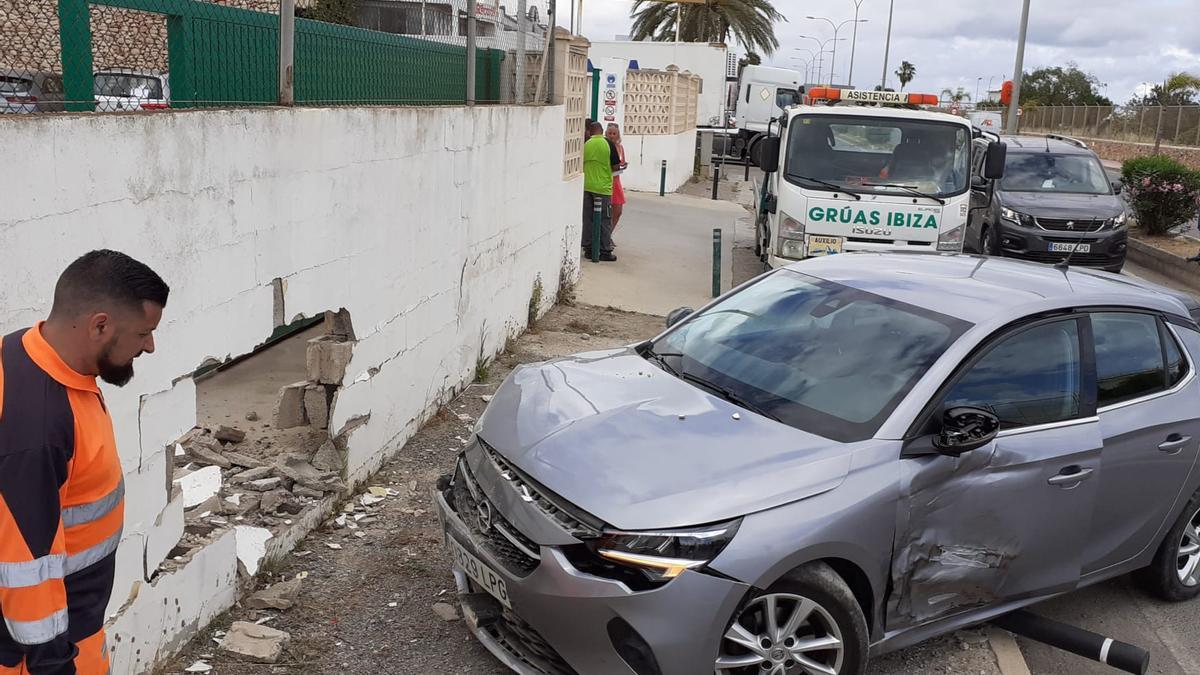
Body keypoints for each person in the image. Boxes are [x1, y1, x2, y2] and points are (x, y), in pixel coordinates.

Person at [0, 250, 168, 675]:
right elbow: (27, 573)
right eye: (144, 332)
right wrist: (56, 666)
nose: (150, 345)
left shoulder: (25, 352)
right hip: (47, 652)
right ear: (99, 325)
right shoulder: (38, 429)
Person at [582, 121, 621, 262]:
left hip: (587, 186)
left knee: (588, 219)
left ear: (591, 132)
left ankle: (588, 248)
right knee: (605, 219)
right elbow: (616, 166)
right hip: (603, 188)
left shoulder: (585, 144)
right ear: (602, 131)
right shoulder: (608, 144)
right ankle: (604, 250)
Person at [605, 123, 627, 231]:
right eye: (610, 133)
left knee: (618, 211)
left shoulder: (620, 148)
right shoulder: (605, 146)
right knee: (607, 212)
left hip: (617, 181)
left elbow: (621, 162)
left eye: (614, 133)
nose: (612, 136)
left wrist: (623, 165)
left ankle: (609, 234)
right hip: (607, 180)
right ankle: (605, 237)